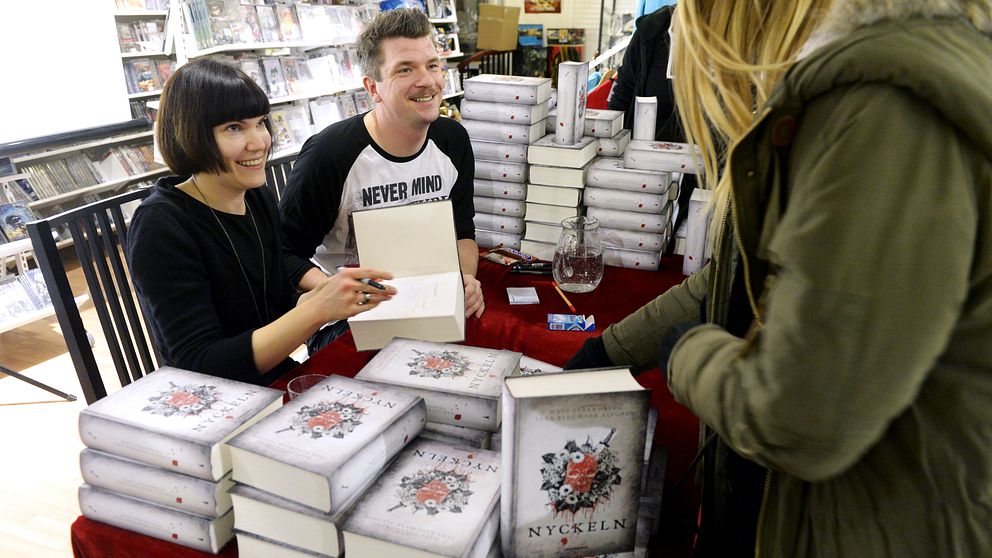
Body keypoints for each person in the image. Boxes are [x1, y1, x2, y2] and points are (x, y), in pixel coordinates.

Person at [567, 1, 992, 556]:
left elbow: (802, 418)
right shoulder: (860, 89)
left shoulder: (879, 105)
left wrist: (683, 355)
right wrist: (607, 350)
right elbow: (735, 279)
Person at [127, 59, 396, 386]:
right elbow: (200, 364)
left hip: (273, 376)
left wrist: (329, 294)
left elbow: (274, 302)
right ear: (191, 135)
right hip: (218, 399)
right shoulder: (161, 225)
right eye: (234, 128)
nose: (259, 141)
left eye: (261, 123)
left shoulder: (255, 197)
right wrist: (316, 309)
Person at [279, 8, 483, 353]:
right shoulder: (330, 154)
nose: (427, 81)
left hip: (432, 309)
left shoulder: (452, 141)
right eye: (405, 69)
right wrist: (337, 291)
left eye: (432, 65)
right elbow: (281, 254)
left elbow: (463, 231)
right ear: (373, 88)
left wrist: (463, 280)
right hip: (348, 322)